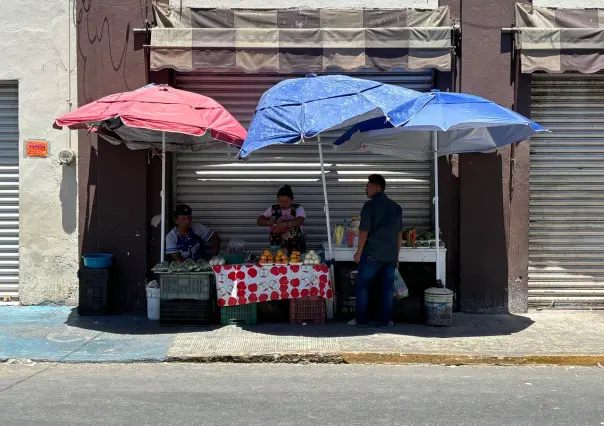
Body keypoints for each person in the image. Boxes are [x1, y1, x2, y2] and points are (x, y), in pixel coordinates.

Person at [351, 174, 403, 328]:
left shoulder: (369, 205)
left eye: (368, 186)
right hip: (390, 255)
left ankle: (361, 321)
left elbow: (363, 230)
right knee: (387, 289)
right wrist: (396, 256)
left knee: (363, 286)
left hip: (372, 253)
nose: (366, 189)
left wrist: (359, 251)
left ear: (377, 187)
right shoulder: (396, 207)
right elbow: (399, 233)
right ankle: (386, 321)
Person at [257, 185, 307, 255]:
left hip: (296, 245)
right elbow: (259, 221)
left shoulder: (298, 208)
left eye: (286, 202)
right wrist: (269, 222)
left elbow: (299, 221)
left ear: (292, 201)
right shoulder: (273, 209)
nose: (283, 204)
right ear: (277, 200)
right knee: (278, 262)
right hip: (277, 246)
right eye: (280, 201)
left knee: (295, 262)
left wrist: (283, 225)